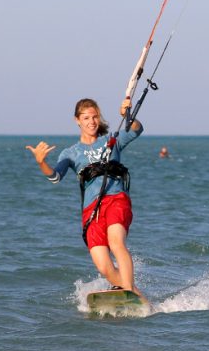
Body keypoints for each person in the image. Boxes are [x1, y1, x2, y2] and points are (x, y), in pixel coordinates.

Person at [26, 98, 143, 294]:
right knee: (103, 267)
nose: (92, 121)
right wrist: (41, 163)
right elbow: (55, 177)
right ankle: (134, 294)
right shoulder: (70, 153)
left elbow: (136, 129)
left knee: (116, 243)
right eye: (86, 117)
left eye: (95, 116)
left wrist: (128, 116)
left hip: (116, 199)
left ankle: (129, 291)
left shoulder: (111, 141)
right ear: (77, 120)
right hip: (92, 211)